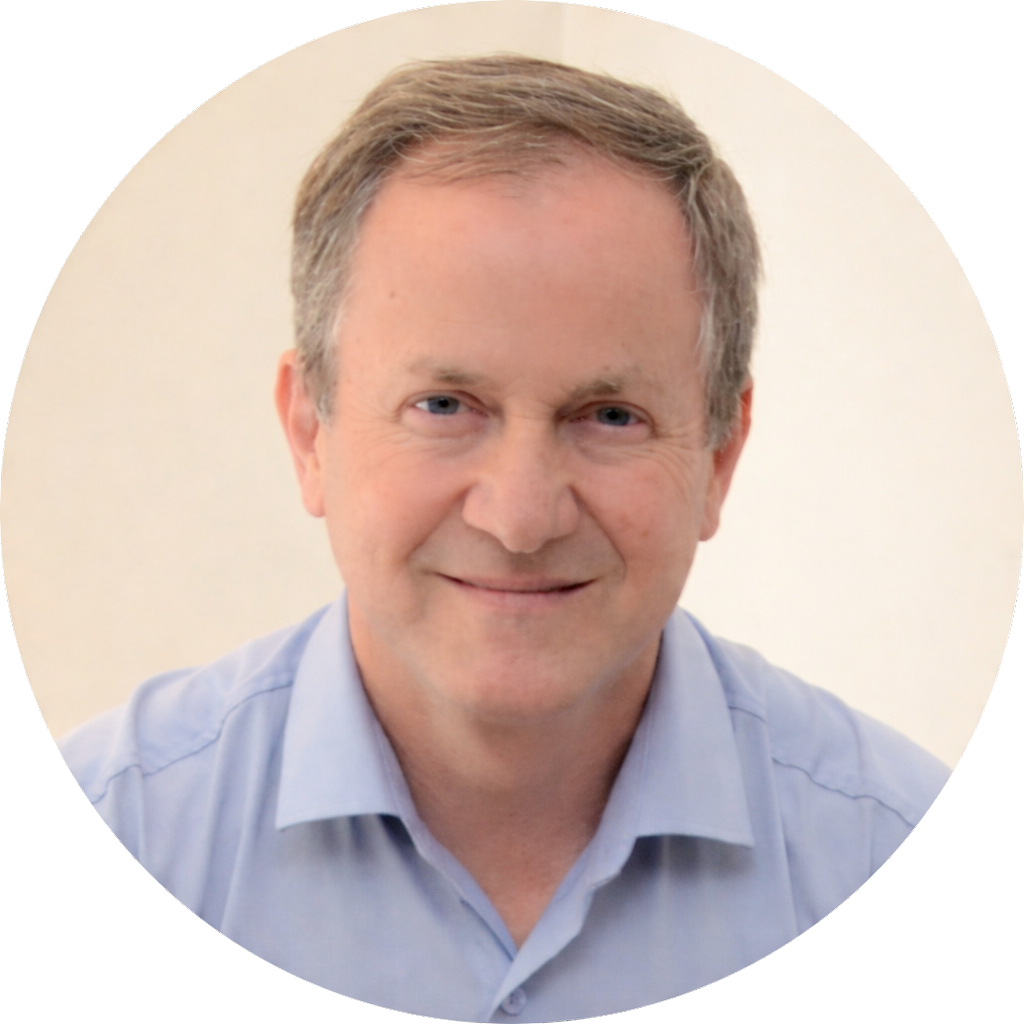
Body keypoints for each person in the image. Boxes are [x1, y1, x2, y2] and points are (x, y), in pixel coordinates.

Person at [58, 55, 949, 1019]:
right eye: (445, 405)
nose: (521, 519)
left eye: (610, 416)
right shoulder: (128, 823)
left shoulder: (879, 842)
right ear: (311, 432)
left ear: (720, 457)